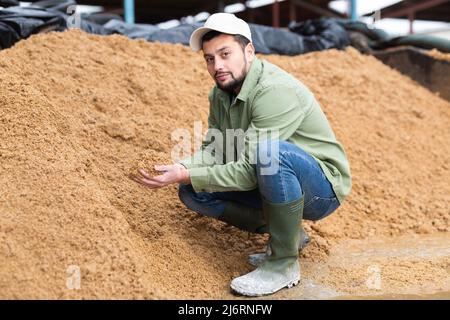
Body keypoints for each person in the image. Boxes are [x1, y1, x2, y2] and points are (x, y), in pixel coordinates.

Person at [133, 13, 351, 297]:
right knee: (193, 191)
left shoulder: (274, 91)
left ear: (249, 51)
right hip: (272, 176)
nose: (217, 66)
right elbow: (216, 149)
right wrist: (179, 168)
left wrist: (189, 173)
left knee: (271, 153)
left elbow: (251, 169)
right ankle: (289, 236)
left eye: (225, 54)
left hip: (322, 188)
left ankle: (283, 264)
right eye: (209, 59)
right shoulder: (220, 94)